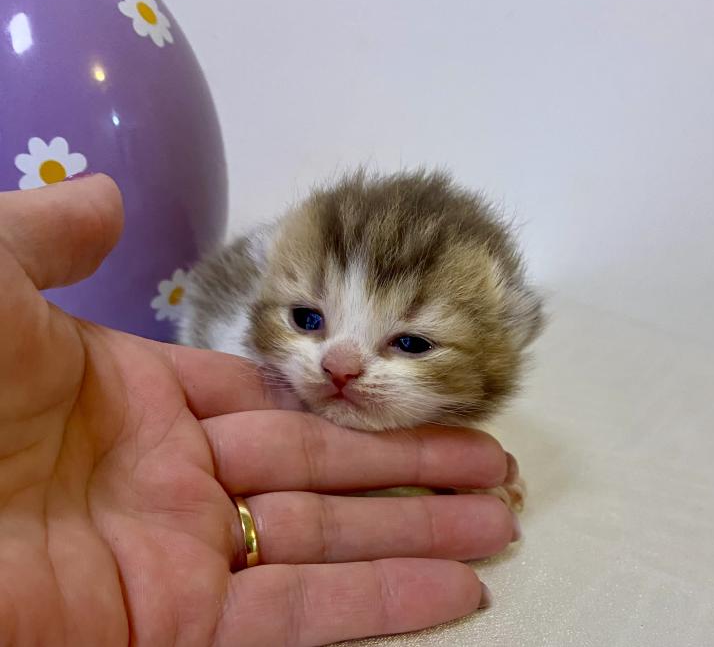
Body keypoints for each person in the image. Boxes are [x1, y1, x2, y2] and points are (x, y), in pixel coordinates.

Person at [0, 175, 518, 646]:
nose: (339, 365)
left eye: (410, 343)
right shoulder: (237, 380)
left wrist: (452, 472)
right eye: (308, 317)